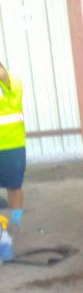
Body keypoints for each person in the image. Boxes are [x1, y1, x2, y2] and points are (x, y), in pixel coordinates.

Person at [0, 61, 25, 230]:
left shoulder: (12, 85)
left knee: (14, 186)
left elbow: (8, 80)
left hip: (12, 146)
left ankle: (16, 219)